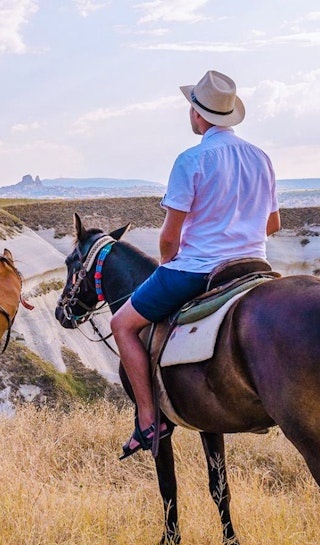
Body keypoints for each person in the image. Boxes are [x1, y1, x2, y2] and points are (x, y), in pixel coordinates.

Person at [109, 69, 280, 459]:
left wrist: (168, 263)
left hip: (199, 268)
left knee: (122, 324)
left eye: (191, 107)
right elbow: (273, 224)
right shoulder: (261, 157)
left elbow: (170, 237)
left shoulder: (192, 159)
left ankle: (149, 420)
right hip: (255, 266)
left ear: (198, 115)